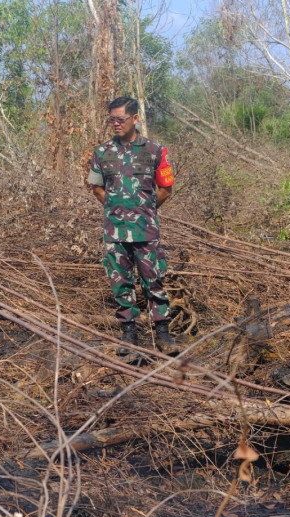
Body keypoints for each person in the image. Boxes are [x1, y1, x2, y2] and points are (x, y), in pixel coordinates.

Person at [88, 97, 179, 356]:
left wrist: (145, 210)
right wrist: (116, 207)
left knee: (154, 281)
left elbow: (166, 189)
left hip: (146, 230)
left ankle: (162, 333)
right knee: (120, 282)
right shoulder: (102, 152)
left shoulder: (154, 150)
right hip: (114, 231)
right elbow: (96, 187)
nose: (115, 124)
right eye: (112, 120)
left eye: (121, 119)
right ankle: (129, 333)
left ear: (135, 118)